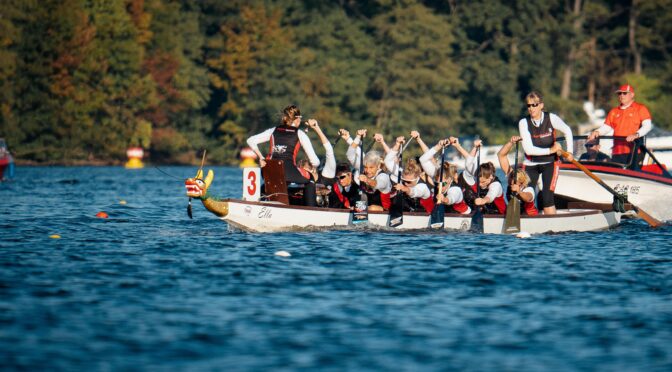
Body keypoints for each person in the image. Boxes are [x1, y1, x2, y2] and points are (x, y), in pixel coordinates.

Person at [246, 104, 320, 206]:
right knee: (310, 178)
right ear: (297, 119)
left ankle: (258, 203)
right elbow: (315, 161)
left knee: (271, 181)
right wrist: (312, 168)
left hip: (267, 170)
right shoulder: (300, 134)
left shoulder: (273, 130)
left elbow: (250, 140)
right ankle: (312, 210)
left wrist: (261, 157)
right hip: (288, 171)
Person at [518, 91, 573, 215]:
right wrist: (551, 150)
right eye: (529, 106)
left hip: (550, 163)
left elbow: (567, 131)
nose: (531, 108)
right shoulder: (523, 123)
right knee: (527, 195)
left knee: (547, 198)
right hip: (530, 163)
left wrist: (570, 152)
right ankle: (528, 220)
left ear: (541, 105)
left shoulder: (551, 118)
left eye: (534, 105)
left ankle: (553, 230)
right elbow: (528, 150)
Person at [588, 84, 653, 165]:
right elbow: (606, 127)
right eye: (619, 93)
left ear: (632, 95)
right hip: (617, 152)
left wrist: (636, 134)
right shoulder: (614, 111)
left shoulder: (640, 108)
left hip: (635, 151)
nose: (622, 95)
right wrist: (597, 132)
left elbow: (647, 126)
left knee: (630, 174)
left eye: (625, 93)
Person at [452, 138, 507, 215]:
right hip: (482, 212)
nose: (480, 184)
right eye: (479, 181)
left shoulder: (496, 185)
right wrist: (473, 148)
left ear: (491, 177)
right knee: (468, 189)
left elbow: (490, 196)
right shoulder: (479, 173)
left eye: (483, 182)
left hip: (498, 214)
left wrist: (483, 201)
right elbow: (469, 163)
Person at [497, 136, 538, 215]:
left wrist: (519, 192)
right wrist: (511, 142)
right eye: (510, 178)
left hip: (530, 217)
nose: (511, 182)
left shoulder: (529, 189)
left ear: (522, 182)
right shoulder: (511, 177)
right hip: (515, 215)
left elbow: (528, 197)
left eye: (515, 181)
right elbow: (501, 155)